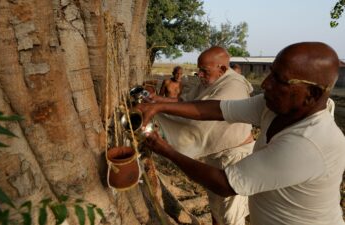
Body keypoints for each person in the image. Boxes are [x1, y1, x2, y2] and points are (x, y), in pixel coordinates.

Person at [137, 42, 345, 225]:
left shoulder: (307, 143)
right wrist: (159, 107)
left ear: (312, 94)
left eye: (279, 80)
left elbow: (224, 183)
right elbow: (218, 109)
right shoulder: (274, 107)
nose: (265, 84)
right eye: (270, 73)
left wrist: (165, 149)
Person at [148, 47, 255, 225]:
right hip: (215, 155)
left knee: (230, 216)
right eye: (200, 70)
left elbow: (202, 113)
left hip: (234, 158)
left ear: (222, 69)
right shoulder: (207, 81)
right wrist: (155, 101)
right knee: (215, 206)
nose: (201, 75)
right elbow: (186, 102)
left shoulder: (234, 85)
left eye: (205, 71)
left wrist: (158, 108)